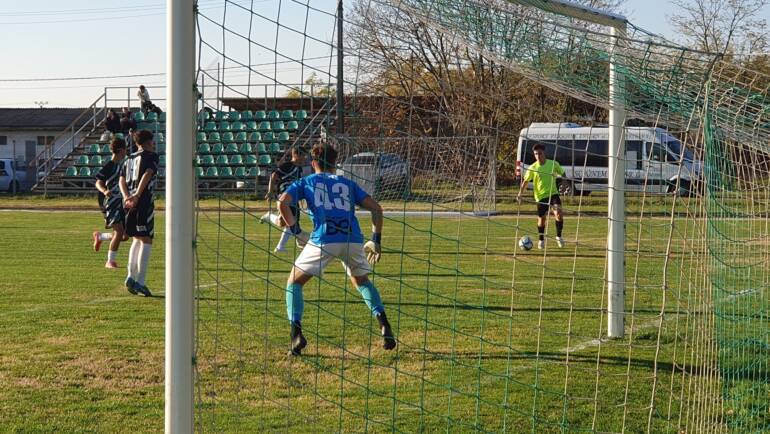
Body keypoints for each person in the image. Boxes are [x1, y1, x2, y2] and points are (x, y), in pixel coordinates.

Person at [277, 142, 396, 356]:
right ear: (335, 163)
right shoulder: (347, 183)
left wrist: (296, 231)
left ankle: (296, 334)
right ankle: (384, 324)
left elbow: (283, 203)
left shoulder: (307, 181)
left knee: (293, 282)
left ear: (313, 163)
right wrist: (376, 239)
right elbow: (376, 208)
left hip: (325, 238)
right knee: (362, 281)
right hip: (353, 239)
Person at [119, 129, 159, 297]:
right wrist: (137, 195)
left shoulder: (129, 158)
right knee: (146, 239)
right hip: (142, 201)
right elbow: (148, 174)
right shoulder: (151, 156)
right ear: (148, 142)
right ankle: (140, 282)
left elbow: (121, 180)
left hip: (129, 202)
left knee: (136, 238)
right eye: (152, 141)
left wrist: (126, 196)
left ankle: (130, 276)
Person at [516, 142, 566, 249]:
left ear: (544, 153)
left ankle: (558, 236)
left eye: (540, 153)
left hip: (553, 194)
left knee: (558, 213)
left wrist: (564, 183)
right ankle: (541, 240)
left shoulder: (553, 164)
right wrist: (520, 194)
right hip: (540, 197)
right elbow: (525, 181)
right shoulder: (532, 167)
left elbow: (563, 173)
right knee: (542, 220)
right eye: (536, 154)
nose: (538, 156)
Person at [260, 146, 308, 252]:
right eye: (303, 156)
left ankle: (269, 217)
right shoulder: (287, 165)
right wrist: (270, 191)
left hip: (293, 197)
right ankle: (283, 246)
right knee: (291, 220)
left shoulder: (299, 169)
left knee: (284, 222)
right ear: (296, 155)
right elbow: (273, 176)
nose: (305, 158)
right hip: (285, 196)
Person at [92, 137, 129, 268]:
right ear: (120, 150)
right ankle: (110, 261)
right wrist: (104, 191)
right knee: (119, 232)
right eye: (125, 149)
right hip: (110, 202)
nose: (126, 151)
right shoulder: (110, 165)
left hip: (120, 201)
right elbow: (98, 182)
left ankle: (100, 236)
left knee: (124, 236)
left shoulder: (122, 165)